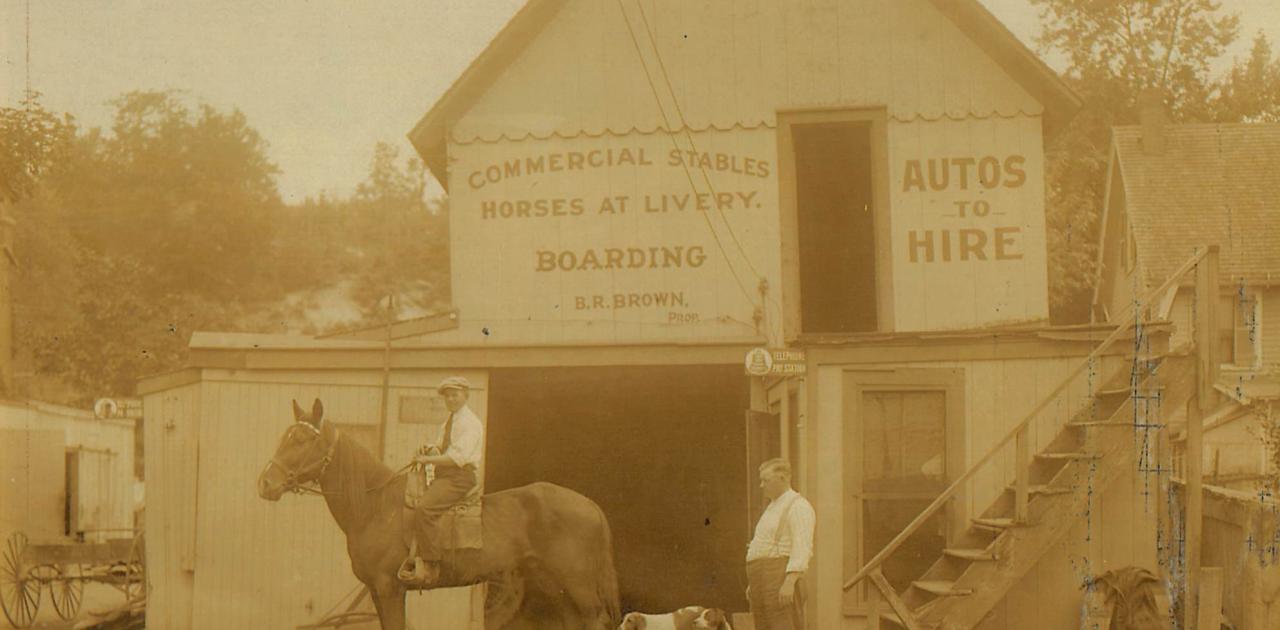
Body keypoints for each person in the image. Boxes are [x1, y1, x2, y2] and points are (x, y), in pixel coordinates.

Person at [401, 375, 484, 585]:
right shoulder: (451, 419)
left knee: (425, 509)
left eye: (454, 395)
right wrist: (430, 448)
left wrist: (427, 459)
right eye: (447, 396)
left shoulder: (469, 422)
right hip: (446, 474)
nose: (451, 399)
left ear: (465, 396)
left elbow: (457, 458)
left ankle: (431, 564)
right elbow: (442, 447)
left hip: (459, 477)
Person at [746, 458, 815, 630]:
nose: (762, 485)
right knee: (763, 626)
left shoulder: (798, 506)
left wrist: (790, 581)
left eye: (766, 480)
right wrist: (754, 583)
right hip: (762, 577)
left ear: (783, 478)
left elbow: (802, 547)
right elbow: (764, 544)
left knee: (782, 625)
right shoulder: (773, 507)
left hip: (779, 576)